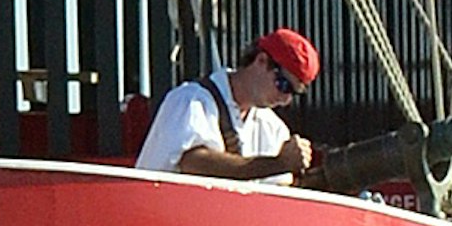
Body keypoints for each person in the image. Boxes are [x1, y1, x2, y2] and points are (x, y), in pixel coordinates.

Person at [137, 26, 322, 187]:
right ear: (261, 61)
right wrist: (277, 164)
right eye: (283, 85)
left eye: (293, 93)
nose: (285, 99)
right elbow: (193, 164)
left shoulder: (273, 129)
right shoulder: (191, 101)